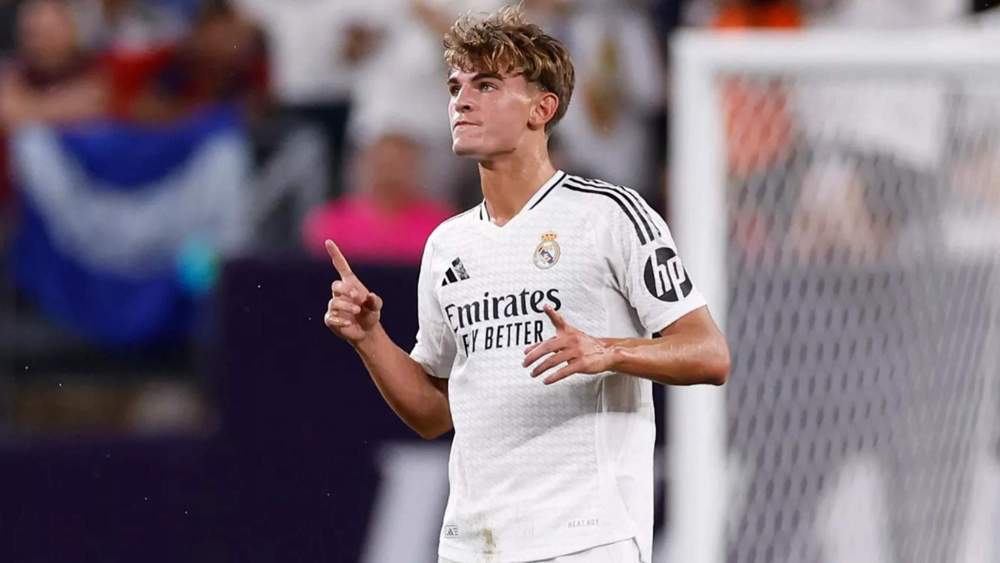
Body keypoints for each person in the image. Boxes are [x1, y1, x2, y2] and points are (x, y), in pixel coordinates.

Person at [322, 6, 730, 563]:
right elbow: (433, 412)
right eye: (456, 85)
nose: (462, 100)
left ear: (543, 108)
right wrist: (370, 338)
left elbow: (709, 354)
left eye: (487, 85)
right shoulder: (447, 245)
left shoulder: (611, 215)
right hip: (474, 543)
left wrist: (606, 350)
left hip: (586, 538)